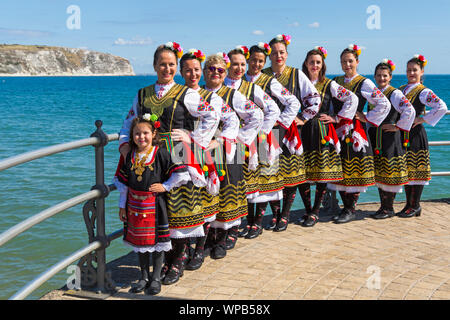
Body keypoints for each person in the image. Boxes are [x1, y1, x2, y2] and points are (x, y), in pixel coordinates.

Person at [118, 42, 220, 285]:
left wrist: (193, 139)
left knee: (180, 206)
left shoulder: (188, 94)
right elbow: (129, 121)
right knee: (158, 208)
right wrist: (124, 144)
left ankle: (177, 260)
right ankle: (163, 260)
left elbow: (212, 115)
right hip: (149, 155)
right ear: (154, 66)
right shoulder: (142, 94)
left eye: (171, 64)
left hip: (176, 153)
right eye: (162, 64)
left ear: (176, 67)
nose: (167, 68)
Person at [114, 115, 190, 295]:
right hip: (134, 206)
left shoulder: (160, 153)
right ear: (132, 136)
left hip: (156, 205)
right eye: (137, 134)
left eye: (145, 133)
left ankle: (155, 278)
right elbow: (124, 184)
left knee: (157, 243)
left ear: (154, 133)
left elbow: (181, 173)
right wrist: (122, 206)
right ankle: (143, 277)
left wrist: (165, 186)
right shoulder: (130, 155)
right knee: (140, 243)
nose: (142, 137)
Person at [178, 49, 240, 270]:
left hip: (207, 154)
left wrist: (220, 140)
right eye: (209, 69)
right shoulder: (180, 93)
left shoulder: (212, 98)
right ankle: (183, 250)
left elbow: (233, 120)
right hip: (183, 154)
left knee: (208, 201)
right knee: (187, 201)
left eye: (219, 70)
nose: (193, 74)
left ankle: (199, 250)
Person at [203, 52, 264, 258]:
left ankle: (222, 239)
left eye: (220, 70)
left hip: (229, 151)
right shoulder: (197, 93)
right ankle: (208, 237)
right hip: (206, 150)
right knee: (209, 192)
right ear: (205, 72)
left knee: (229, 191)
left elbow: (257, 114)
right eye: (212, 69)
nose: (216, 73)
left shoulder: (232, 95)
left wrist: (240, 138)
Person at [262, 34, 322, 231]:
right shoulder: (262, 75)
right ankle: (275, 214)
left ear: (287, 54)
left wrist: (303, 118)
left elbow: (314, 98)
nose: (278, 56)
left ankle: (285, 215)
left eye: (282, 52)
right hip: (266, 132)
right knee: (268, 173)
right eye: (274, 52)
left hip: (288, 132)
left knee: (291, 174)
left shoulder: (296, 74)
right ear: (269, 55)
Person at [242, 42, 301, 235]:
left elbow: (293, 102)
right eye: (253, 60)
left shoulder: (269, 81)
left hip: (265, 136)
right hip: (244, 135)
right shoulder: (239, 79)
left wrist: (279, 123)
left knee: (265, 179)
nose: (257, 64)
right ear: (247, 59)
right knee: (247, 177)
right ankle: (248, 220)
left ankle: (257, 223)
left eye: (261, 61)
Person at [328, 44, 391, 224]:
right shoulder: (336, 81)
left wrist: (366, 117)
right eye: (343, 61)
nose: (347, 64)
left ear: (357, 62)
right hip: (338, 127)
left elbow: (384, 104)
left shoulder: (364, 82)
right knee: (339, 167)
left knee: (353, 167)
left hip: (355, 131)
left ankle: (350, 209)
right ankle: (344, 207)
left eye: (350, 61)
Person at [224, 45, 280, 240]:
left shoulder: (252, 87)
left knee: (259, 182)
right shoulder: (221, 86)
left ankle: (256, 223)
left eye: (241, 64)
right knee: (239, 183)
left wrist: (261, 132)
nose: (239, 68)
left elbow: (273, 109)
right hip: (232, 142)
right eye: (235, 64)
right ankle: (239, 223)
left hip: (252, 141)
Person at [299, 46, 359, 227]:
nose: (314, 65)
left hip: (322, 131)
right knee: (303, 172)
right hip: (303, 129)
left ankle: (315, 212)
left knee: (321, 173)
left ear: (322, 64)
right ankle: (308, 209)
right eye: (311, 62)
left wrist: (337, 118)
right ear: (306, 64)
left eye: (318, 62)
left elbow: (352, 99)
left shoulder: (329, 84)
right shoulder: (299, 82)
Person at [397, 54, 447, 218]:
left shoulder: (423, 91)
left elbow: (441, 106)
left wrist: (422, 119)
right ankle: (408, 205)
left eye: (414, 70)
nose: (411, 73)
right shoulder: (402, 89)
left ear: (421, 71)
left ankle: (415, 205)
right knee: (406, 169)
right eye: (409, 70)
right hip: (403, 134)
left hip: (416, 134)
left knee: (416, 169)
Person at [368, 59, 416, 219]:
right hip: (376, 137)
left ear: (390, 77)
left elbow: (409, 110)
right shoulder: (374, 93)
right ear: (374, 76)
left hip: (390, 138)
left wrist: (398, 126)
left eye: (385, 76)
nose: (382, 78)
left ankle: (388, 208)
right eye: (379, 75)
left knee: (390, 171)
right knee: (380, 171)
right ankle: (384, 207)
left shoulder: (394, 93)